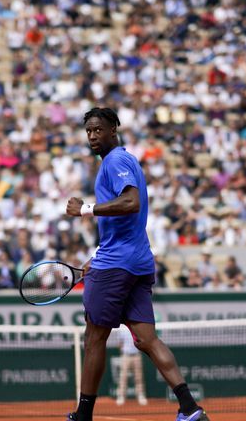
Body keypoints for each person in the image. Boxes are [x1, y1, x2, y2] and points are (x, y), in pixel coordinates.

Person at [65, 108, 208, 421]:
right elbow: (125, 223)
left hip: (118, 264)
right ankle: (189, 407)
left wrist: (86, 209)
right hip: (137, 261)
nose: (92, 136)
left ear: (114, 129)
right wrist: (98, 256)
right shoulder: (124, 160)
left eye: (98, 130)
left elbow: (131, 203)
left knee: (94, 338)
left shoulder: (116, 160)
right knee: (146, 339)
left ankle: (83, 415)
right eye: (88, 131)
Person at [114, 325, 147, 406]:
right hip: (126, 356)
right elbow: (119, 343)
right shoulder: (121, 329)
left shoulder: (137, 327)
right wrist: (124, 350)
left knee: (138, 377)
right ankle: (121, 396)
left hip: (136, 355)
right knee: (123, 377)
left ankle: (140, 395)